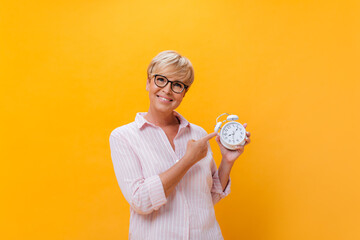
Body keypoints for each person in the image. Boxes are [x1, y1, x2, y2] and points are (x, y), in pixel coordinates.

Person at [109, 50, 251, 240]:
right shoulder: (124, 137)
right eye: (161, 80)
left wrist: (227, 160)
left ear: (184, 93)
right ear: (148, 82)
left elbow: (208, 199)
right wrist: (188, 160)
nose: (167, 90)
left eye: (177, 85)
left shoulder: (198, 135)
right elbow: (140, 202)